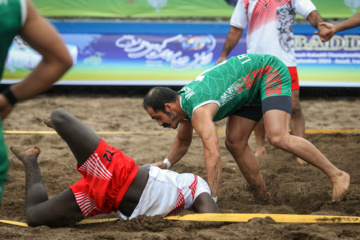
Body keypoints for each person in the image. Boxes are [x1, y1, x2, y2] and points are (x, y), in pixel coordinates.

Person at [143, 53, 350, 204]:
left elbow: (213, 154)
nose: (160, 124)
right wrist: (166, 163)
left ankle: (337, 175)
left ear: (168, 107)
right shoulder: (184, 104)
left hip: (268, 72)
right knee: (234, 142)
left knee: (277, 137)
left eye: (157, 118)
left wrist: (212, 199)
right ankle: (263, 197)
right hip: (248, 90)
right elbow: (183, 141)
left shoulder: (198, 108)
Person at [10, 108, 218, 227]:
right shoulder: (197, 184)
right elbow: (211, 216)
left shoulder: (183, 188)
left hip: (105, 201)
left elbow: (208, 218)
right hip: (117, 175)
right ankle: (57, 126)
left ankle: (30, 160)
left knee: (34, 217)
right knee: (59, 116)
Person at [215, 0, 327, 164]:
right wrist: (223, 55)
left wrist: (321, 26)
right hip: (257, 62)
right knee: (258, 106)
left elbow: (311, 13)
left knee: (294, 106)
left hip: (284, 62)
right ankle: (261, 148)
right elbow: (236, 27)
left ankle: (301, 153)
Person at [0, 0, 74, 203]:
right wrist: (9, 98)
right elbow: (62, 59)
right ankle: (29, 159)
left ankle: (29, 159)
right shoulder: (14, 6)